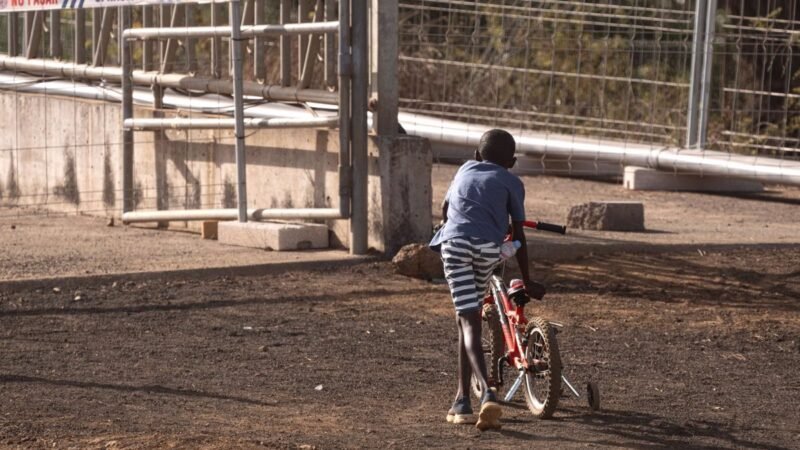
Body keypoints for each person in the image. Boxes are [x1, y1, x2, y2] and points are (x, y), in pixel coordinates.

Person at [430, 128, 544, 431]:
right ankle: (462, 400)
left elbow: (444, 209)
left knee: (468, 321)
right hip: (487, 250)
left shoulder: (465, 169)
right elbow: (518, 234)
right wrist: (528, 279)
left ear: (477, 155)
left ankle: (488, 392)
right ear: (513, 161)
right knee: (466, 320)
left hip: (455, 245)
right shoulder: (512, 182)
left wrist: (448, 225)